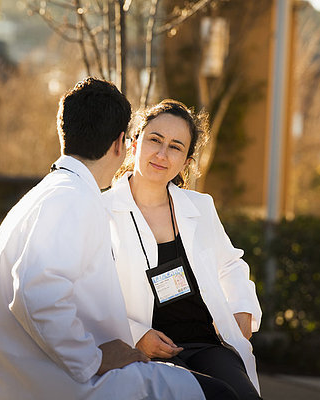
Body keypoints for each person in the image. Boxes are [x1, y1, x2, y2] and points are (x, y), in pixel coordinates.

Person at [0, 79, 209, 400]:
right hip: (58, 382)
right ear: (122, 143)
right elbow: (37, 294)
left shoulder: (48, 193)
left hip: (22, 376)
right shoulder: (71, 198)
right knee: (219, 394)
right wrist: (94, 358)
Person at [103, 99, 263, 399]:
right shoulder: (102, 211)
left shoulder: (200, 207)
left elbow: (230, 264)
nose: (162, 154)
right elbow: (90, 296)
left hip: (205, 344)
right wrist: (137, 335)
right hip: (148, 351)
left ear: (187, 161)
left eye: (176, 147)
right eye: (155, 140)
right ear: (134, 144)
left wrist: (242, 307)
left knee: (243, 396)